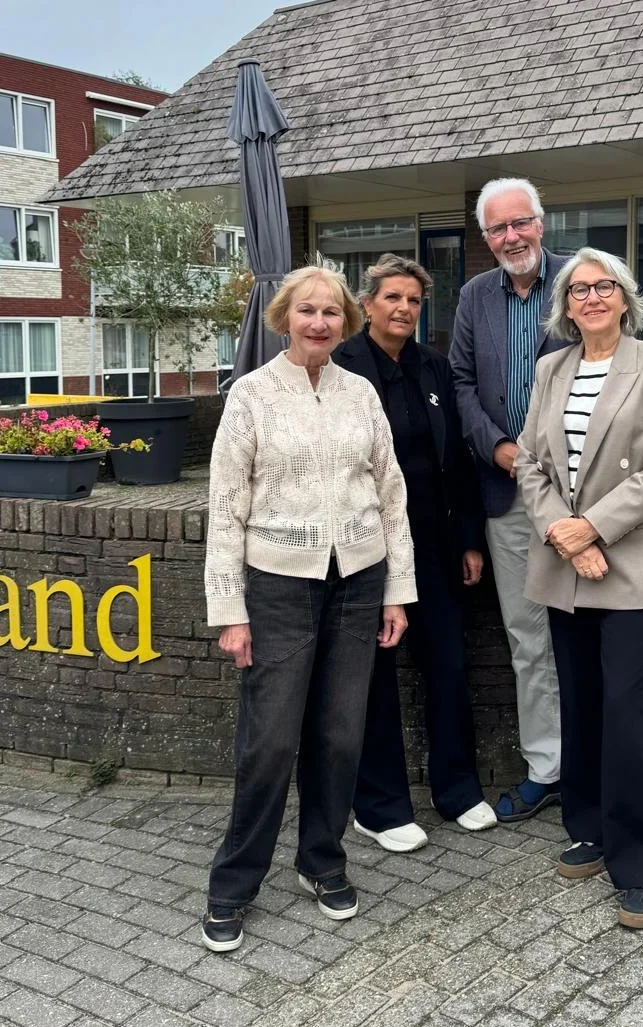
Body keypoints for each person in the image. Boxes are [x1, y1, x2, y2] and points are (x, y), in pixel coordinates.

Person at [201, 264, 416, 952]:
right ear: (285, 317)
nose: (319, 322)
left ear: (346, 322)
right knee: (269, 742)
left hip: (357, 580)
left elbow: (390, 494)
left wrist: (396, 592)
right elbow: (226, 508)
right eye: (307, 311)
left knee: (340, 734)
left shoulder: (359, 393)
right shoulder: (253, 396)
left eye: (331, 312)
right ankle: (233, 882)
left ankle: (321, 859)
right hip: (278, 587)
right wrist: (229, 609)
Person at [514, 246, 643, 929]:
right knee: (582, 700)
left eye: (604, 286)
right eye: (578, 289)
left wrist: (590, 528)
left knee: (626, 707)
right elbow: (530, 464)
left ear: (624, 298)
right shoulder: (549, 369)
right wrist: (562, 531)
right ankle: (590, 826)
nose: (590, 297)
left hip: (635, 562)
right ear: (564, 306)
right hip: (565, 561)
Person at [333, 253, 496, 851]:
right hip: (367, 550)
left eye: (413, 300)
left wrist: (470, 537)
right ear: (367, 304)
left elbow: (458, 462)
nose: (403, 308)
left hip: (435, 545)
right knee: (374, 673)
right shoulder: (341, 366)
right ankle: (377, 806)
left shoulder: (433, 368)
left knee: (449, 666)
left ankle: (457, 790)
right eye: (391, 298)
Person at [448, 177, 571, 823]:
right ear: (485, 237)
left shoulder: (581, 283)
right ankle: (546, 767)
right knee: (527, 637)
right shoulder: (473, 297)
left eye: (519, 222)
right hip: (505, 490)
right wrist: (494, 445)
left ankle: (592, 763)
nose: (510, 237)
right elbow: (461, 381)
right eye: (497, 228)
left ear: (540, 223)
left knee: (584, 630)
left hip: (579, 493)